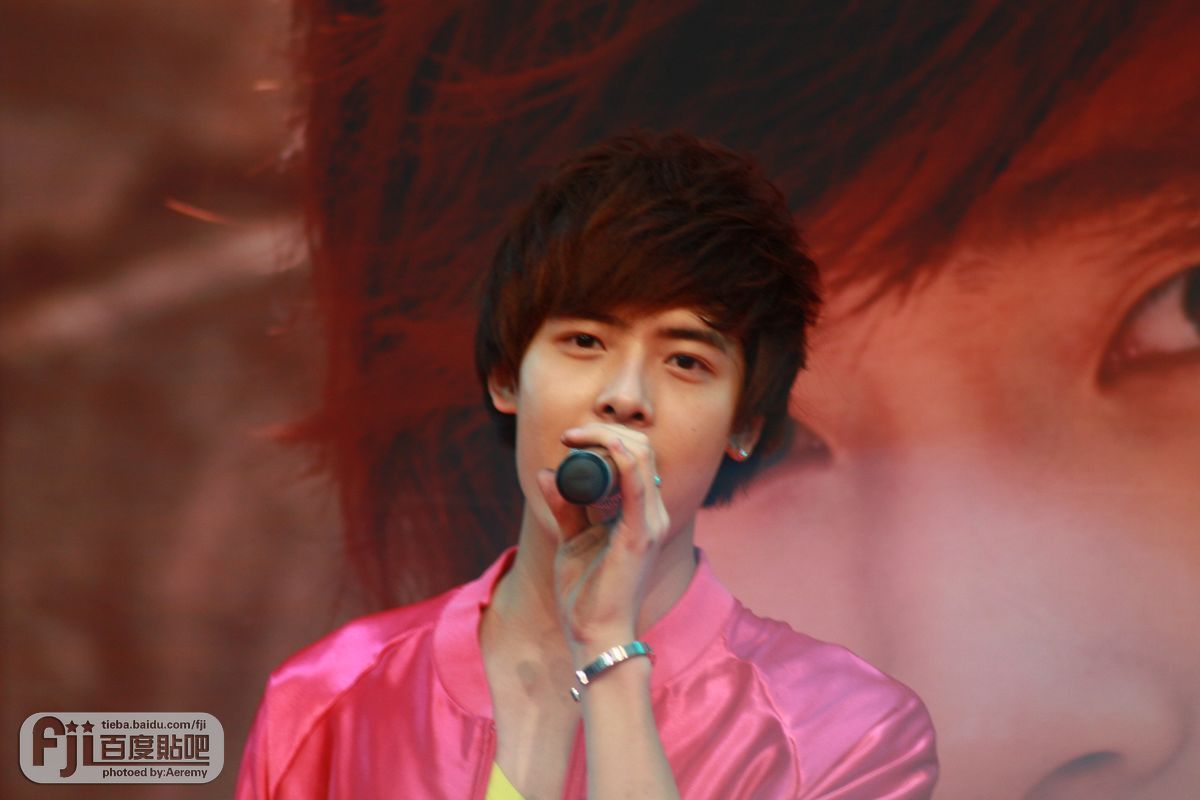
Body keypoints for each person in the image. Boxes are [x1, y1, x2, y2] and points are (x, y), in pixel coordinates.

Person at [237, 131, 938, 797]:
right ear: (506, 377)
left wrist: (608, 647)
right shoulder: (328, 699)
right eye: (584, 341)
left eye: (685, 361)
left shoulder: (847, 736)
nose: (624, 396)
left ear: (744, 426)